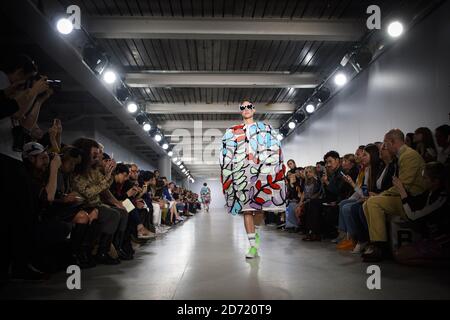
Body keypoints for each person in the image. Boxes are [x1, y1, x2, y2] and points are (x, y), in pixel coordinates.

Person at [220, 100, 286, 259]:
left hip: (261, 172)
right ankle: (252, 246)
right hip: (241, 172)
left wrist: (275, 169)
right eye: (242, 107)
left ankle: (255, 233)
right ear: (240, 111)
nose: (246, 109)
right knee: (246, 210)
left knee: (259, 208)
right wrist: (226, 172)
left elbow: (276, 148)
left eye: (249, 106)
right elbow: (226, 154)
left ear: (254, 109)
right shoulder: (232, 131)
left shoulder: (265, 128)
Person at [362, 129, 426, 262]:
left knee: (373, 202)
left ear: (393, 142)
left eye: (385, 144)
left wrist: (381, 194)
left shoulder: (409, 156)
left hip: (412, 200)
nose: (384, 147)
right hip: (403, 197)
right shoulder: (403, 156)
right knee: (367, 203)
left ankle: (380, 246)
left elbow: (404, 185)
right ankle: (376, 243)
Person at [393, 162, 449, 266]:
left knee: (400, 255)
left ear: (435, 181)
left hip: (442, 243)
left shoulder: (441, 198)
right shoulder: (429, 193)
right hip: (432, 239)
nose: (423, 181)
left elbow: (413, 216)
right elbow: (414, 202)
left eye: (425, 178)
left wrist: (401, 191)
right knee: (399, 253)